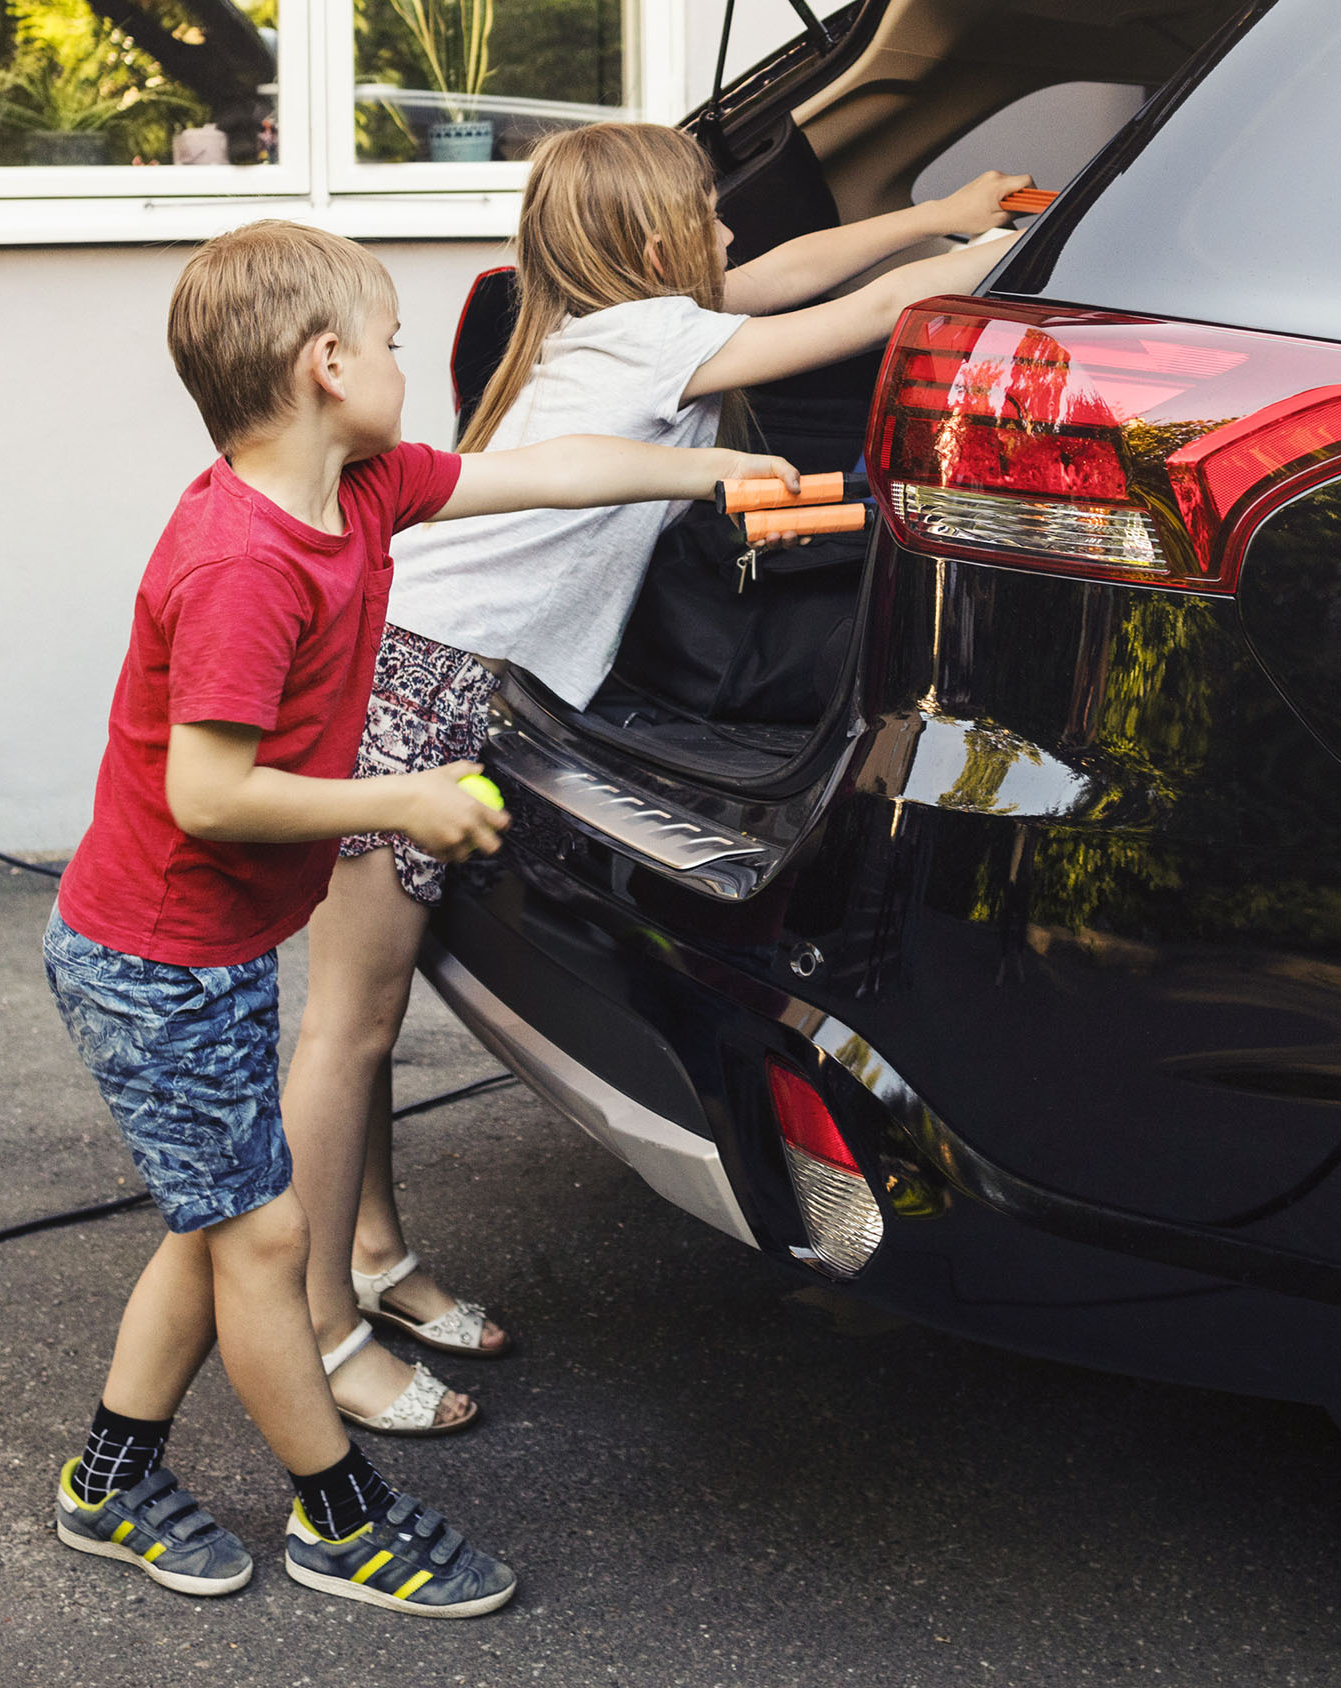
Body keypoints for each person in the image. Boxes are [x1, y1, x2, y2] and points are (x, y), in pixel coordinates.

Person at [43, 218, 794, 1612]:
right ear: (326, 366)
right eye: (390, 343)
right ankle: (340, 1518)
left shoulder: (365, 490)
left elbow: (548, 471)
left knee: (217, 1227)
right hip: (150, 961)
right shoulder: (244, 563)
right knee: (261, 1241)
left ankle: (110, 1478)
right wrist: (400, 801)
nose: (405, 362)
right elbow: (208, 795)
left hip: (193, 955)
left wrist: (707, 469)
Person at [285, 122, 1022, 1434]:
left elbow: (796, 271)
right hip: (407, 686)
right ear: (647, 241)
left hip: (424, 676)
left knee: (371, 1018)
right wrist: (1019, 249)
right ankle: (322, 1334)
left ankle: (375, 1258)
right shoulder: (647, 340)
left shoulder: (606, 319)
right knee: (347, 1027)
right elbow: (865, 310)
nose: (731, 234)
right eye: (708, 215)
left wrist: (935, 208)